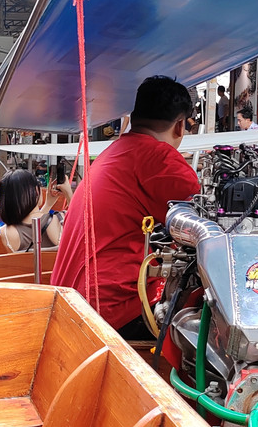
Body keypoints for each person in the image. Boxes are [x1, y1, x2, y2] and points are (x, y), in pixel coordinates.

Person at [51, 76, 201, 338]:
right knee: (198, 328)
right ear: (180, 126)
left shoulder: (114, 151)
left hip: (71, 296)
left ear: (134, 116)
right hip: (107, 306)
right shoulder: (159, 158)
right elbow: (200, 216)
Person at [0, 168, 72, 252]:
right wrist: (69, 193)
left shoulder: (7, 233)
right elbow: (79, 229)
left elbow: (34, 224)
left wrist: (48, 204)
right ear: (36, 191)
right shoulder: (57, 220)